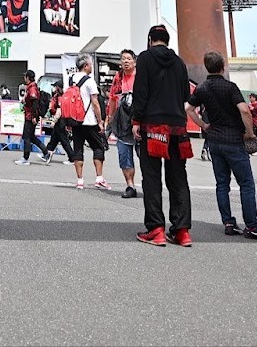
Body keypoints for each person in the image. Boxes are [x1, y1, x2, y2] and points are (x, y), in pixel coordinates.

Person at [186, 51, 257, 241]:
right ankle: (251, 225)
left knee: (222, 183)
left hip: (215, 140)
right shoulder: (230, 87)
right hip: (234, 140)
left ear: (206, 67)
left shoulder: (202, 88)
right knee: (246, 183)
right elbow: (244, 110)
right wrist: (250, 133)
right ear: (223, 67)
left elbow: (188, 108)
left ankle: (228, 221)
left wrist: (203, 125)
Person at [131, 24, 193, 246]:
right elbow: (186, 94)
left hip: (153, 126)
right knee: (178, 179)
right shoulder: (179, 62)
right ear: (167, 40)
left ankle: (156, 229)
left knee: (152, 178)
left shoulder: (145, 59)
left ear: (150, 40)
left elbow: (141, 92)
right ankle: (182, 230)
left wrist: (136, 120)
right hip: (177, 127)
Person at [64, 56, 109, 190]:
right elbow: (95, 103)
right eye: (90, 64)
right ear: (85, 66)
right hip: (89, 121)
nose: (91, 67)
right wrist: (100, 121)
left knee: (78, 149)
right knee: (98, 147)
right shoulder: (90, 81)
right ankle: (99, 178)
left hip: (76, 121)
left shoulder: (70, 79)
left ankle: (79, 180)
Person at [107, 49, 139, 198]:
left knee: (144, 156)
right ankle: (130, 186)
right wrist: (110, 117)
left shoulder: (141, 76)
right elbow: (113, 98)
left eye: (128, 59)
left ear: (134, 61)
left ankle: (149, 184)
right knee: (124, 155)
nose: (125, 61)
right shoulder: (118, 78)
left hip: (140, 120)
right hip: (122, 121)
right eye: (123, 59)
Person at [14, 69, 51, 164]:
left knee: (26, 137)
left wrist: (34, 116)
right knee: (31, 137)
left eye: (25, 76)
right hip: (30, 114)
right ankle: (46, 152)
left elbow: (35, 102)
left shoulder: (32, 88)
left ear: (28, 77)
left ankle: (25, 158)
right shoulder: (30, 87)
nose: (24, 78)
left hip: (31, 116)